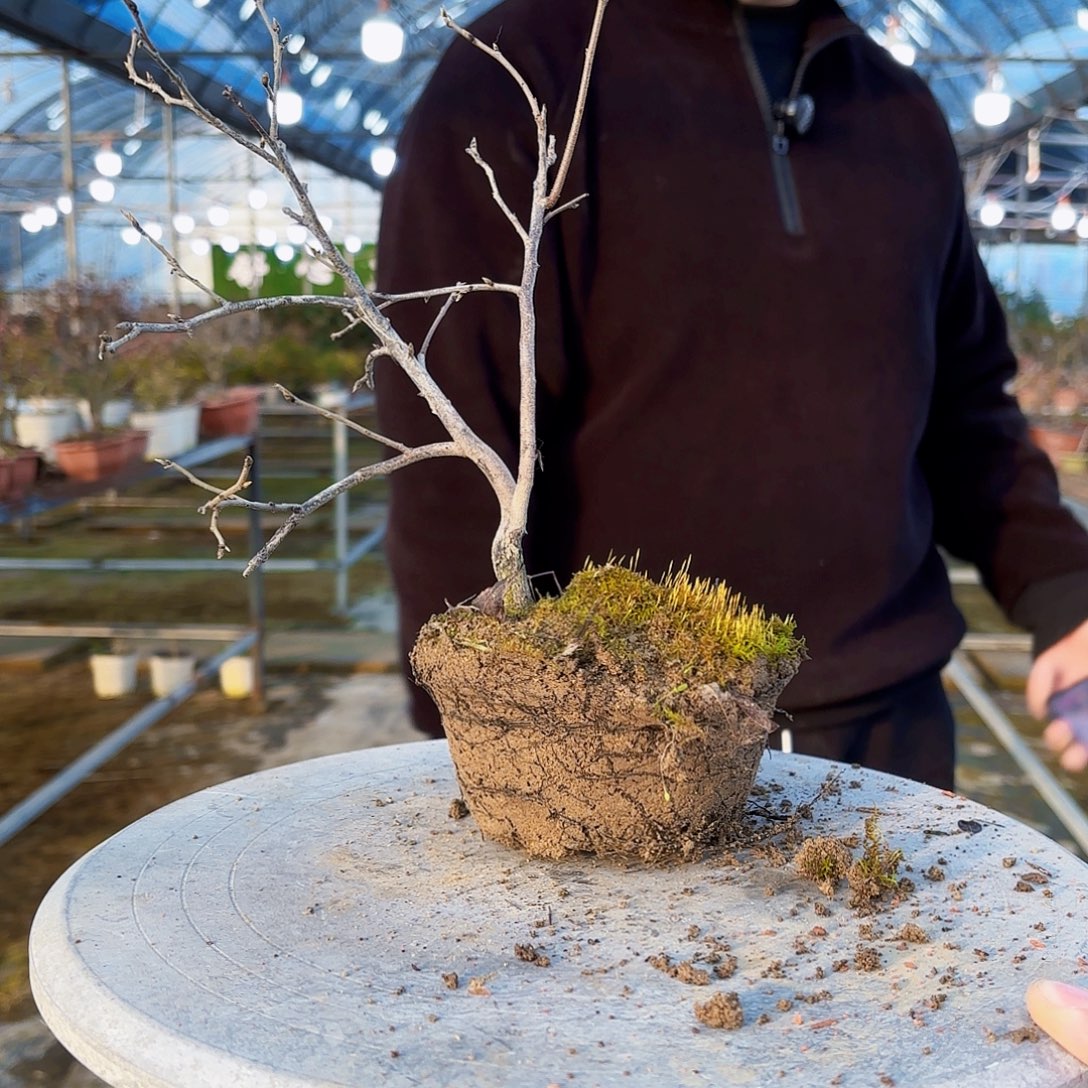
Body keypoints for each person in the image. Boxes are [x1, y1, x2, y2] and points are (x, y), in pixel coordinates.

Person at [373, 0, 1088, 789]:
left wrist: (1065, 592)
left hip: (890, 731)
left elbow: (967, 405)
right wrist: (481, 734)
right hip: (624, 747)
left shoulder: (900, 110)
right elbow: (449, 440)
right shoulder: (517, 73)